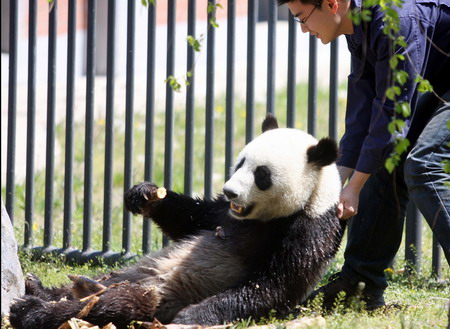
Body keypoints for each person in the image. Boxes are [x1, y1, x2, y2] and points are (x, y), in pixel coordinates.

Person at [277, 0, 450, 309]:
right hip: (441, 84)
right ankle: (360, 286)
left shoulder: (396, 21)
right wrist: (336, 184)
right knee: (384, 160)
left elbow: (391, 113)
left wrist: (354, 189)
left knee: (422, 165)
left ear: (331, 4)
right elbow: (362, 114)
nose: (303, 29)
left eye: (302, 18)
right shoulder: (359, 27)